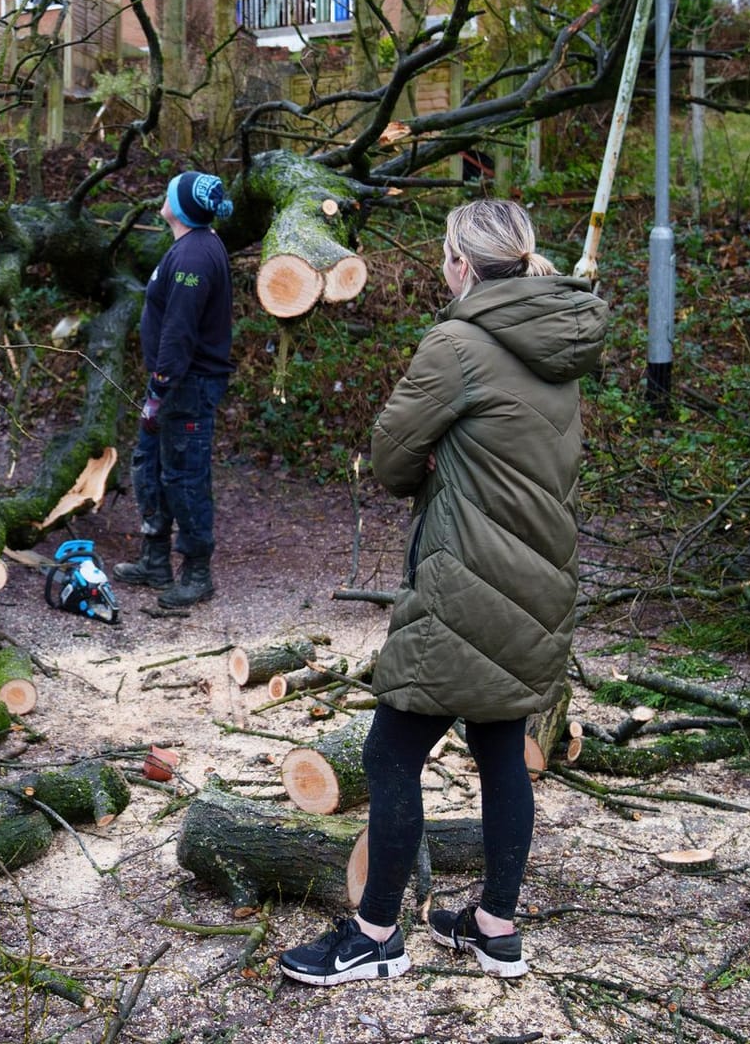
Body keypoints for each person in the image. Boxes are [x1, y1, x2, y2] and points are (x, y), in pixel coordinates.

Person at [278, 199, 608, 986]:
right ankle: (495, 929)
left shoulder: (456, 343)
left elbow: (392, 459)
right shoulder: (565, 348)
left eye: (444, 256)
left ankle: (374, 935)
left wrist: (433, 460)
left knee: (390, 752)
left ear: (461, 262)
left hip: (464, 579)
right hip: (539, 581)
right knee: (499, 748)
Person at [112, 170, 235, 608]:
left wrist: (159, 389)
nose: (162, 193)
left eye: (170, 191)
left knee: (184, 477)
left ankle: (197, 572)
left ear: (180, 207)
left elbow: (179, 332)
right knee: (149, 468)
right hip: (171, 383)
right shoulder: (190, 247)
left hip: (185, 385)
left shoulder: (194, 258)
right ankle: (155, 560)